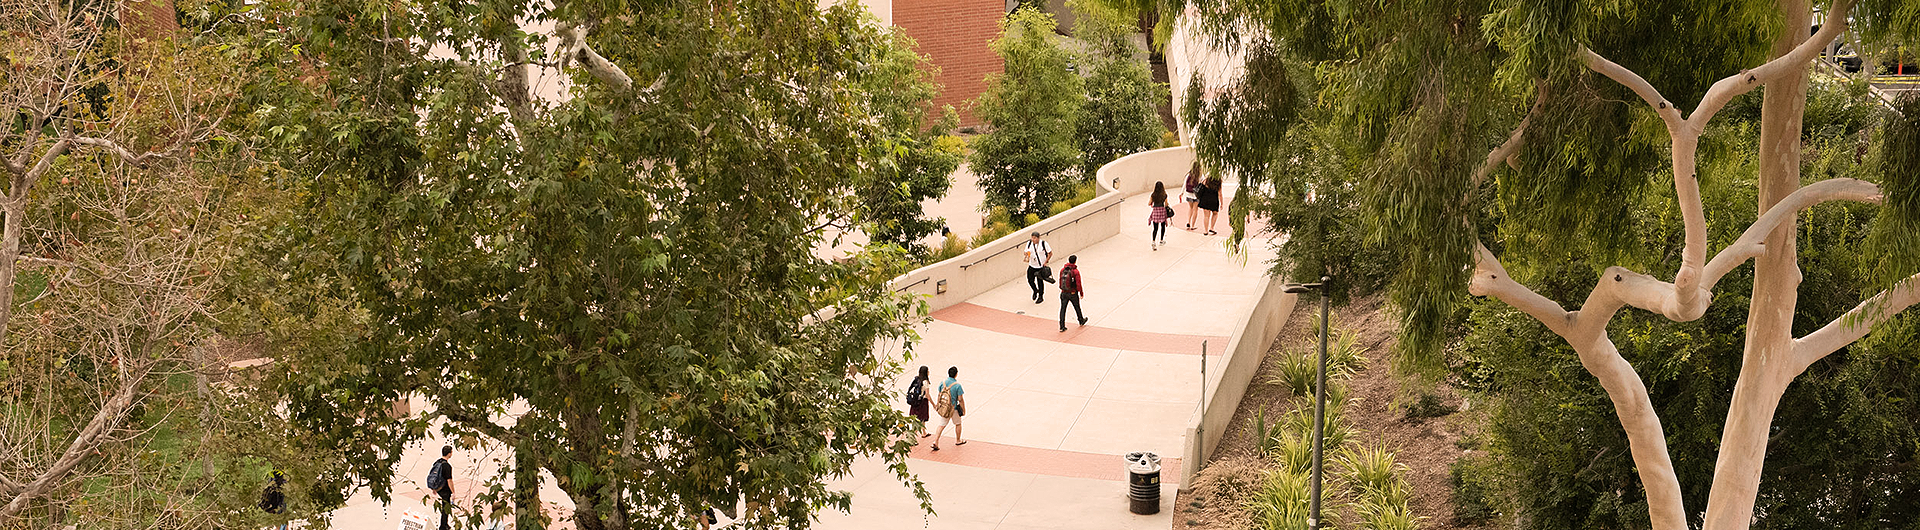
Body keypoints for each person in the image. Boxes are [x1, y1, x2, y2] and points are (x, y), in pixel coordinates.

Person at [930, 366, 967, 451]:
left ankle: (936, 441)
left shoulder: (942, 383)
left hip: (944, 408)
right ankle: (958, 440)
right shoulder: (957, 385)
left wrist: (938, 405)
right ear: (956, 374)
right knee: (958, 424)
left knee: (941, 425)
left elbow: (939, 394)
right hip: (954, 408)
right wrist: (963, 409)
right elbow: (960, 399)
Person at [428, 445, 455, 530]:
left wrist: (434, 488)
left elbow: (433, 475)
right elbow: (449, 480)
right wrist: (453, 492)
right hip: (445, 489)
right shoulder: (447, 466)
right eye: (451, 452)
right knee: (445, 508)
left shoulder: (437, 462)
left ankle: (445, 524)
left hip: (439, 488)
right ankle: (443, 526)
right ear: (449, 454)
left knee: (444, 507)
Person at [1023, 231, 1053, 303]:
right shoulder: (1029, 243)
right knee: (1030, 280)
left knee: (1040, 281)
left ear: (1038, 238)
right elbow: (1025, 251)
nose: (1033, 239)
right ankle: (1035, 290)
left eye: (1035, 238)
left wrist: (1046, 262)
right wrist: (1026, 254)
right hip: (1032, 265)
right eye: (1032, 238)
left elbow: (1050, 253)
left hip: (1040, 266)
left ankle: (1040, 296)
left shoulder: (1043, 244)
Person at [1058, 255, 1086, 331]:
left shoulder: (1062, 270)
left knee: (1063, 309)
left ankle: (1061, 326)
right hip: (1073, 293)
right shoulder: (1075, 271)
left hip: (1063, 293)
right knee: (1077, 307)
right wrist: (1081, 292)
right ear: (1075, 261)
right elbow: (1078, 283)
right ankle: (1081, 320)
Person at [908, 366, 933, 437]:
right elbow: (927, 395)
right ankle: (912, 438)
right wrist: (933, 404)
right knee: (919, 419)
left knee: (921, 419)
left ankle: (924, 432)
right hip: (922, 402)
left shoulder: (917, 379)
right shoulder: (925, 382)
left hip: (915, 402)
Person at [1148, 182, 1171, 250]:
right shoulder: (1164, 195)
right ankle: (1161, 240)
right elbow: (1166, 204)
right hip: (1162, 211)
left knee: (1155, 228)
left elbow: (1149, 203)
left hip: (1155, 211)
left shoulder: (1153, 195)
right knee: (1162, 226)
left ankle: (1153, 241)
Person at [1182, 163, 1202, 230]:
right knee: (1195, 209)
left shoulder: (1188, 175)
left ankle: (1188, 222)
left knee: (1190, 208)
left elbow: (1184, 184)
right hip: (1196, 195)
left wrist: (1181, 193)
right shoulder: (1200, 176)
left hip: (1188, 194)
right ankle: (1193, 225)